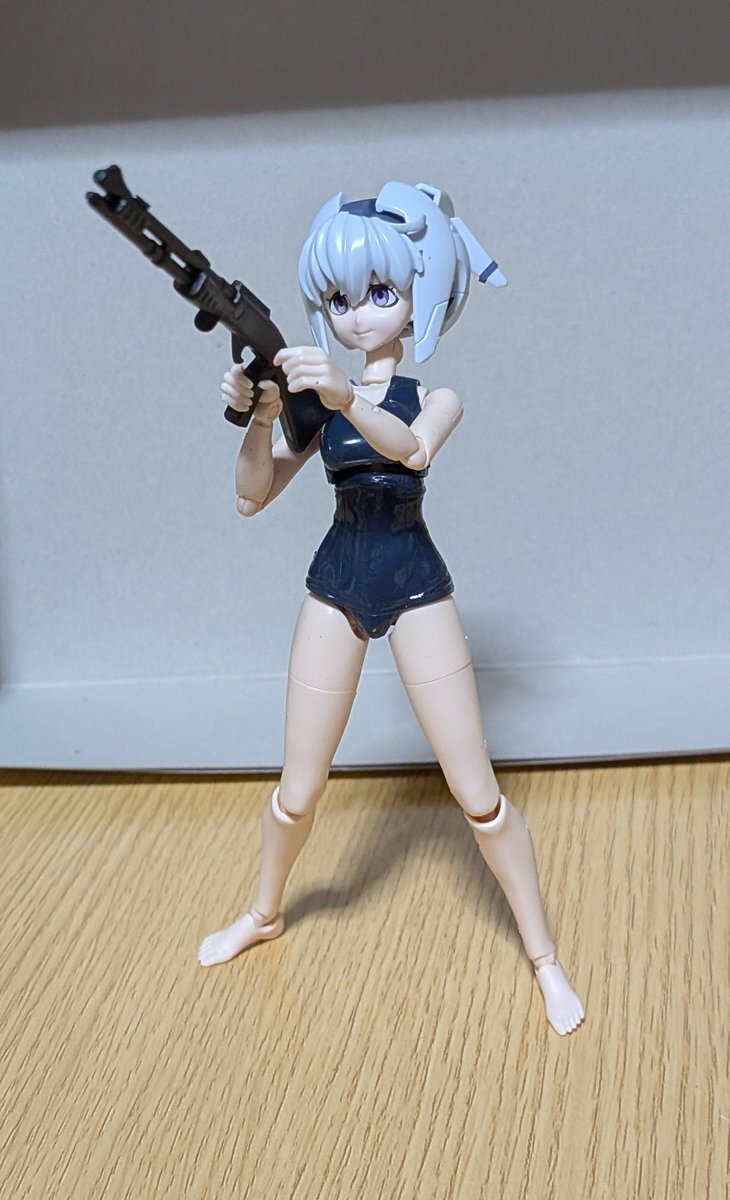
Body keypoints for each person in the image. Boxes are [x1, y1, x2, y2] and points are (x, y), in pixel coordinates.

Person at [198, 182, 584, 1035]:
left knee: (478, 797)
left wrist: (343, 397)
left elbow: (409, 451)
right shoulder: (321, 401)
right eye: (339, 299)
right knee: (296, 793)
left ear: (421, 291)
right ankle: (263, 912)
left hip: (414, 583)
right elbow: (251, 497)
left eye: (379, 292)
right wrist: (258, 415)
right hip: (336, 581)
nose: (358, 314)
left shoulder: (431, 397)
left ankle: (544, 955)